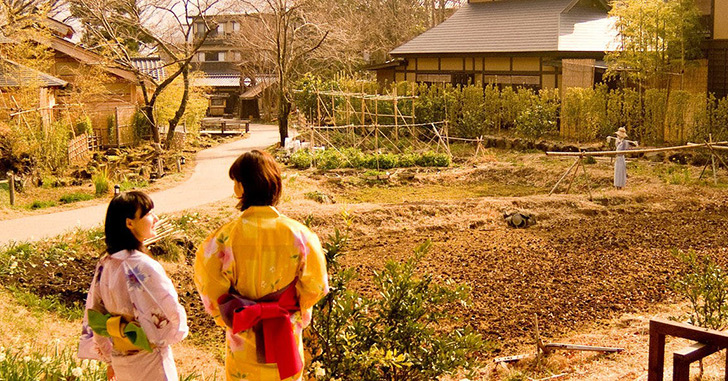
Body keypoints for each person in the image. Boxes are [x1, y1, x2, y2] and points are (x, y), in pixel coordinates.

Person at [194, 150, 328, 381]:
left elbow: (210, 287)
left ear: (239, 187)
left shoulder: (223, 238)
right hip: (285, 333)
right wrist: (291, 309)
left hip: (243, 340)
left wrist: (231, 315)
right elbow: (317, 287)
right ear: (275, 186)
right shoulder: (301, 235)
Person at [78, 191, 188, 381]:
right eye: (148, 214)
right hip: (151, 360)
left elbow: (94, 311)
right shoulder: (143, 266)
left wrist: (108, 357)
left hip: (121, 361)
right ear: (130, 223)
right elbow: (170, 311)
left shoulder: (106, 263)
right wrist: (169, 335)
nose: (155, 218)